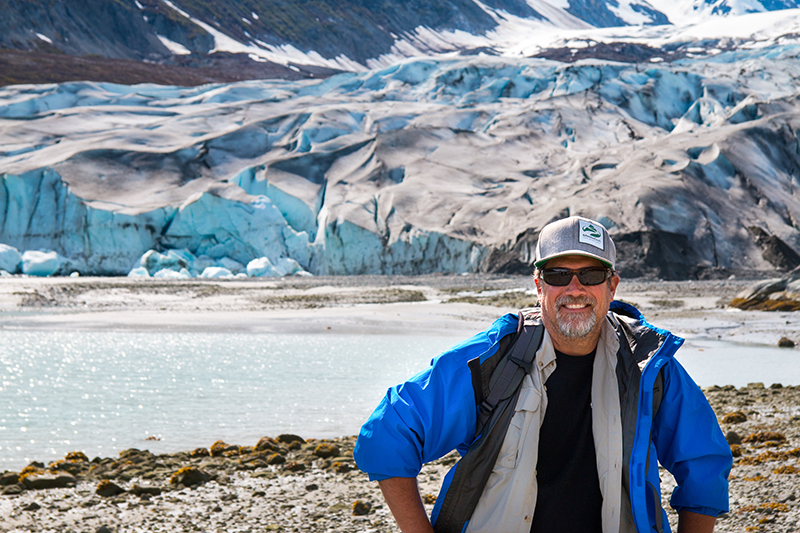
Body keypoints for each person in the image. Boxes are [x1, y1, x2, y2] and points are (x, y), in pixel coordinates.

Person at [353, 216, 732, 533]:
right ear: (538, 286)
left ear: (612, 285)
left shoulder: (648, 368)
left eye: (591, 275)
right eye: (558, 274)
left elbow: (704, 466)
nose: (575, 288)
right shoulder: (495, 358)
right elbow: (388, 432)